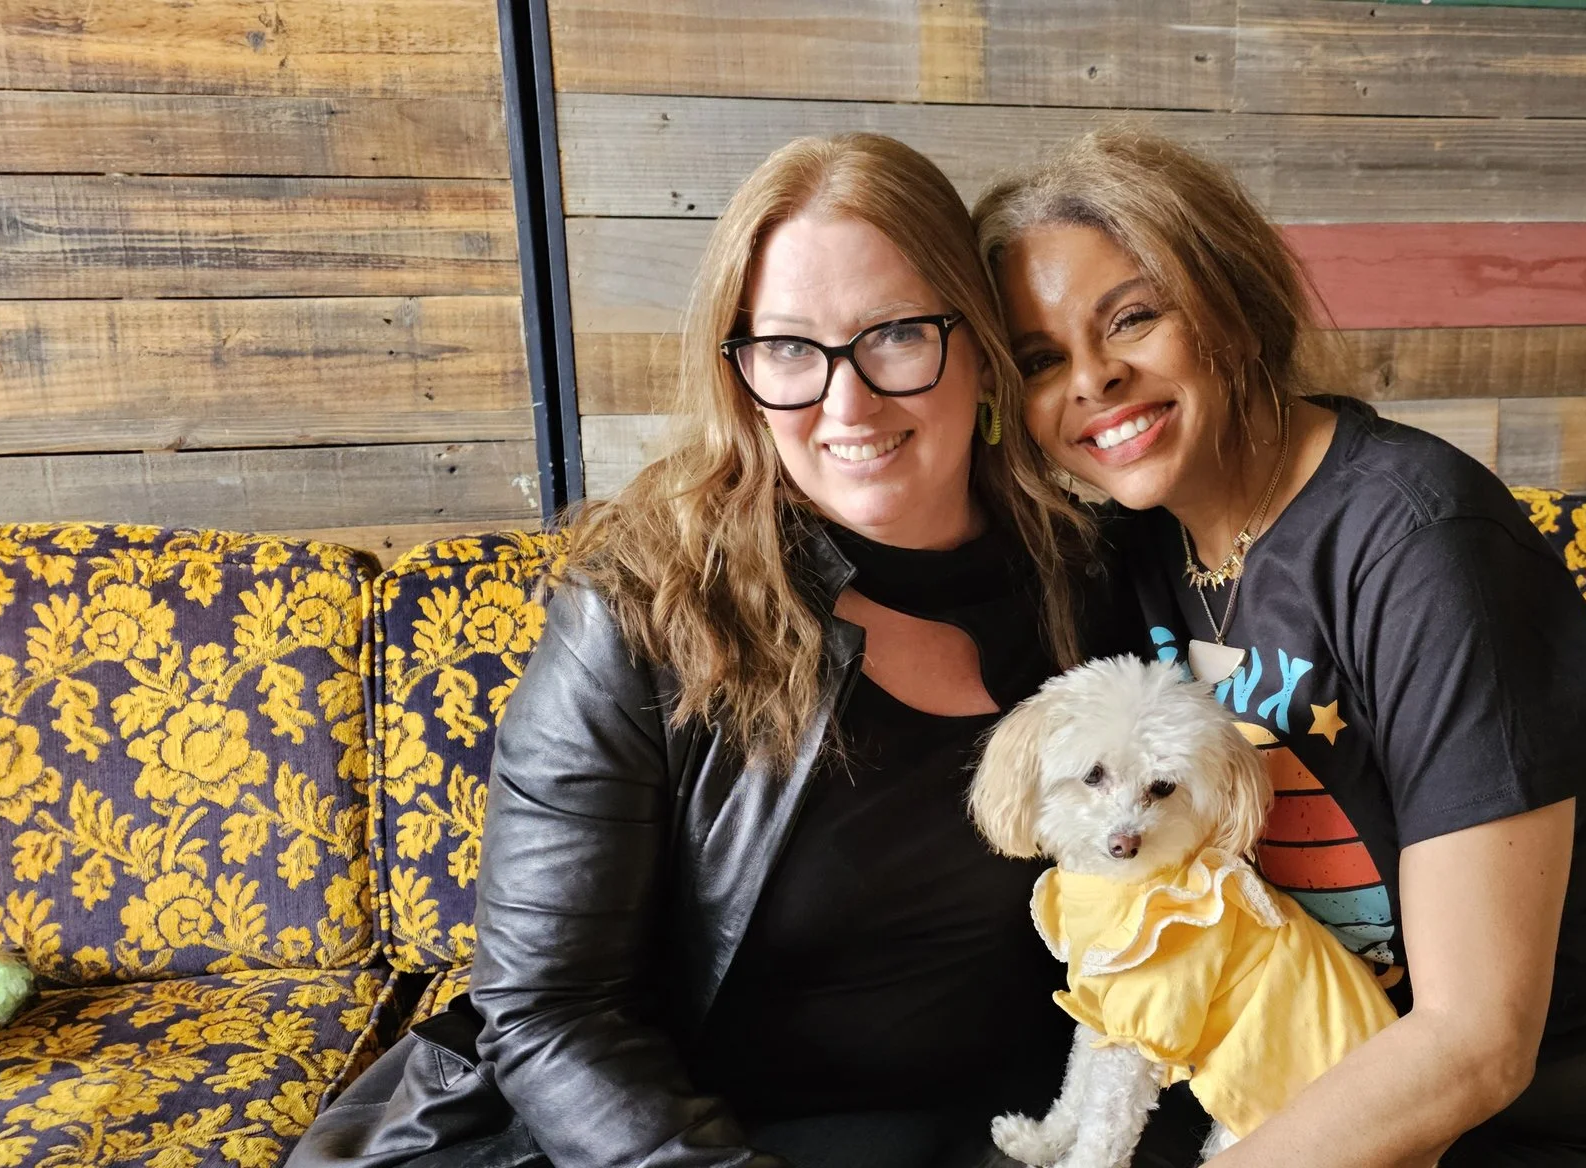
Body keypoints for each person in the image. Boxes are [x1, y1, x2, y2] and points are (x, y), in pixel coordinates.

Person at [296, 134, 1150, 1168]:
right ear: (742, 374)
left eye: (893, 334)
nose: (846, 404)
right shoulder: (640, 606)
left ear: (978, 346)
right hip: (672, 1139)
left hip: (986, 1127)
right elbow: (548, 1008)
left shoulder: (1091, 579)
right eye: (789, 347)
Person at [976, 130, 1586, 1168]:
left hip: (1531, 1116)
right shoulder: (1138, 545)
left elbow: (1476, 1043)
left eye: (1131, 316)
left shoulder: (1424, 545)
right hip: (1280, 1081)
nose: (1092, 379)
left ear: (1224, 299)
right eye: (1041, 360)